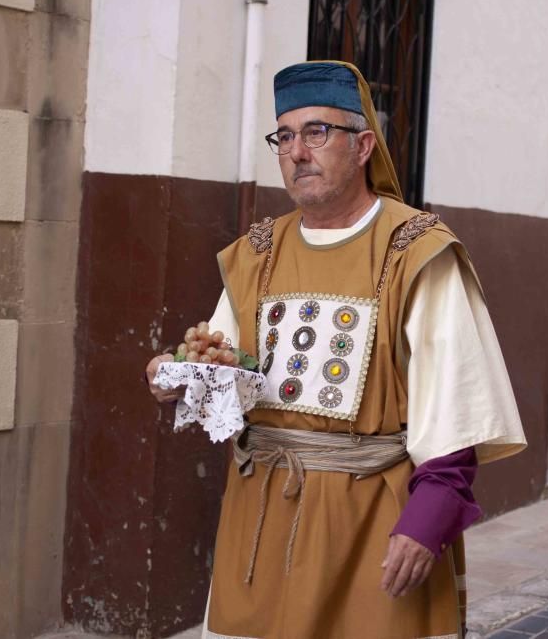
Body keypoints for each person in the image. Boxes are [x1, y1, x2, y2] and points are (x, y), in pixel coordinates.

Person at [145, 61, 526, 639]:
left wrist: (426, 523)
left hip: (375, 525)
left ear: (364, 144)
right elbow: (221, 365)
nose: (298, 151)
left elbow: (457, 401)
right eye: (285, 136)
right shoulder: (256, 254)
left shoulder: (415, 251)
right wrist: (177, 377)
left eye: (317, 132)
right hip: (261, 520)